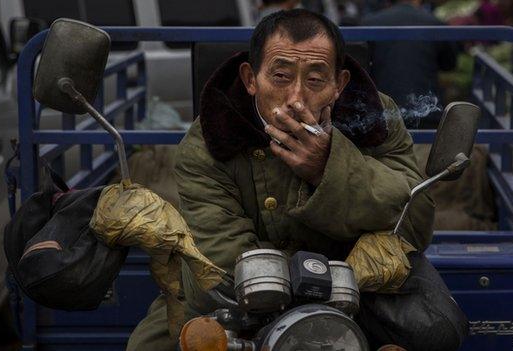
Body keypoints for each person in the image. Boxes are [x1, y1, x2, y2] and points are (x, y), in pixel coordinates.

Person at [127, 9, 466, 351]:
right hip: (244, 295)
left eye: (316, 80)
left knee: (438, 330)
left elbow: (416, 218)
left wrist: (327, 168)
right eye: (280, 76)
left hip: (357, 283)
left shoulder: (376, 118)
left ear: (339, 85)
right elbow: (220, 260)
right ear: (251, 79)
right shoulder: (209, 141)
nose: (296, 98)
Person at [362, 0, 458, 128]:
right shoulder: (435, 24)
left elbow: (362, 67)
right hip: (427, 113)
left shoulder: (369, 24)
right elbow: (449, 64)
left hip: (382, 115)